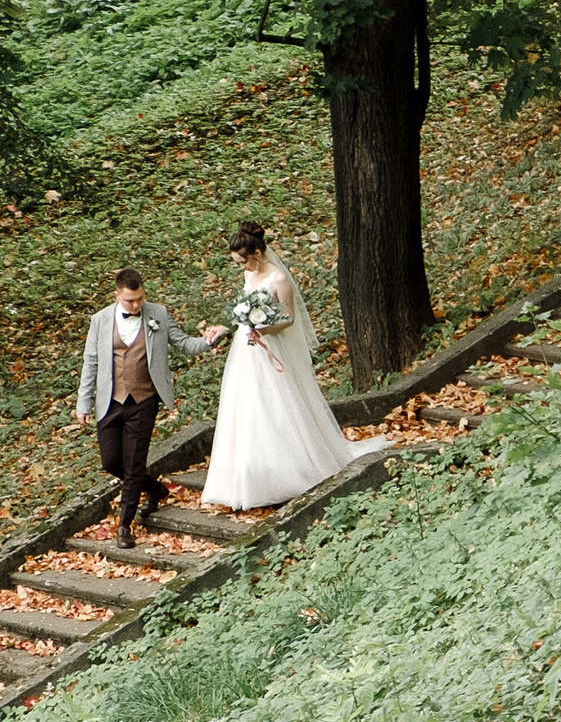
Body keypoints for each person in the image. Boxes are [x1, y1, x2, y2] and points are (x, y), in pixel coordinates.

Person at [199, 221, 387, 511]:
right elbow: (243, 313)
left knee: (276, 405)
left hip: (272, 346)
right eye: (237, 263)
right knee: (247, 406)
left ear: (257, 253)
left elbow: (288, 319)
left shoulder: (278, 279)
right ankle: (249, 474)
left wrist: (263, 329)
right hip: (246, 351)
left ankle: (291, 471)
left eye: (243, 262)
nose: (242, 268)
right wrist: (227, 327)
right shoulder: (249, 275)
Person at [75, 268, 223, 547]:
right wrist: (83, 402)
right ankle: (155, 488)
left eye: (140, 298)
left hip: (144, 401)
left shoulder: (158, 314)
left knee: (134, 465)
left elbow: (184, 344)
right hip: (110, 401)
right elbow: (90, 362)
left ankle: (124, 526)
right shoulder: (100, 320)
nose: (136, 305)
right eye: (130, 300)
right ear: (117, 295)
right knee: (111, 462)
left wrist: (209, 340)